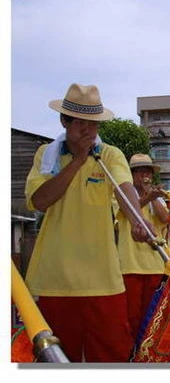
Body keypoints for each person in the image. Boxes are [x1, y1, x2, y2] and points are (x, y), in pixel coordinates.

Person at [24, 83, 155, 362]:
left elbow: (123, 188)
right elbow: (39, 201)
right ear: (64, 121)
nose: (88, 131)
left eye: (93, 124)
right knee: (58, 360)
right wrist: (78, 161)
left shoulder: (110, 155)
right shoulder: (46, 156)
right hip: (54, 281)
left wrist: (137, 219)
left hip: (104, 279)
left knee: (113, 356)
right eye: (80, 123)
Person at [117, 154, 170, 342]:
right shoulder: (121, 195)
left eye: (147, 172)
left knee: (153, 315)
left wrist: (153, 197)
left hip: (155, 264)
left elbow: (165, 218)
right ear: (131, 175)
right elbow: (128, 209)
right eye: (140, 172)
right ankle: (132, 352)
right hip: (130, 265)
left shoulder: (157, 198)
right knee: (131, 316)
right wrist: (149, 196)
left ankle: (148, 350)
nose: (145, 176)